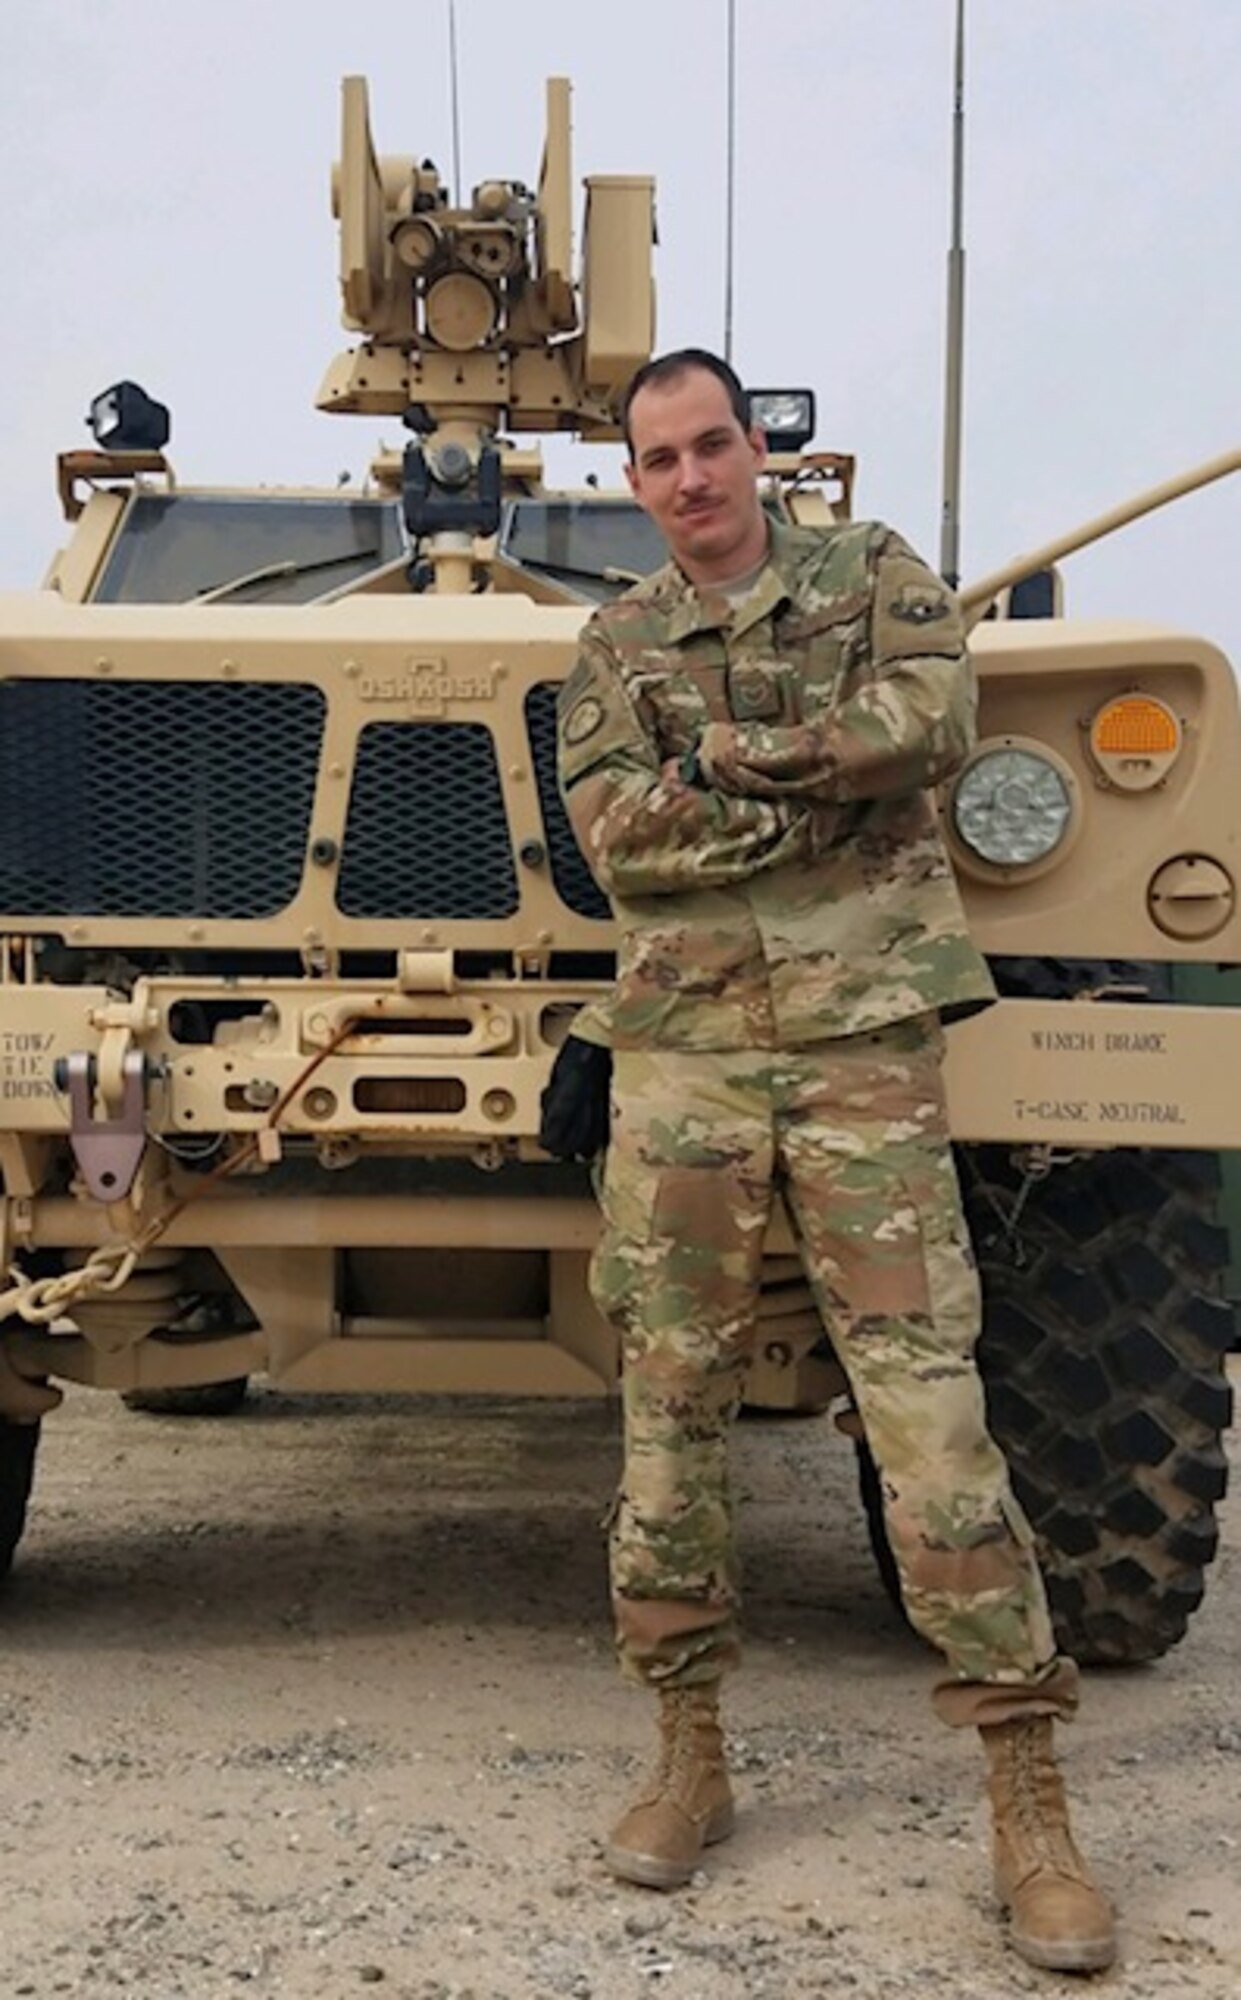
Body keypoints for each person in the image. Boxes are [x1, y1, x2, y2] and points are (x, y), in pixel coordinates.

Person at [554, 347, 1116, 1974]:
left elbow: (931, 715)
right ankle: (687, 1756)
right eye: (656, 460)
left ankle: (1027, 1801)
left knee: (927, 1411)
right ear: (637, 482)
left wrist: (724, 763)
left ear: (755, 452)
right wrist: (824, 782)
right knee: (670, 1409)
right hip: (687, 1059)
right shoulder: (612, 641)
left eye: (710, 445)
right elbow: (617, 840)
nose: (688, 481)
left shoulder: (871, 574)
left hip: (864, 1050)